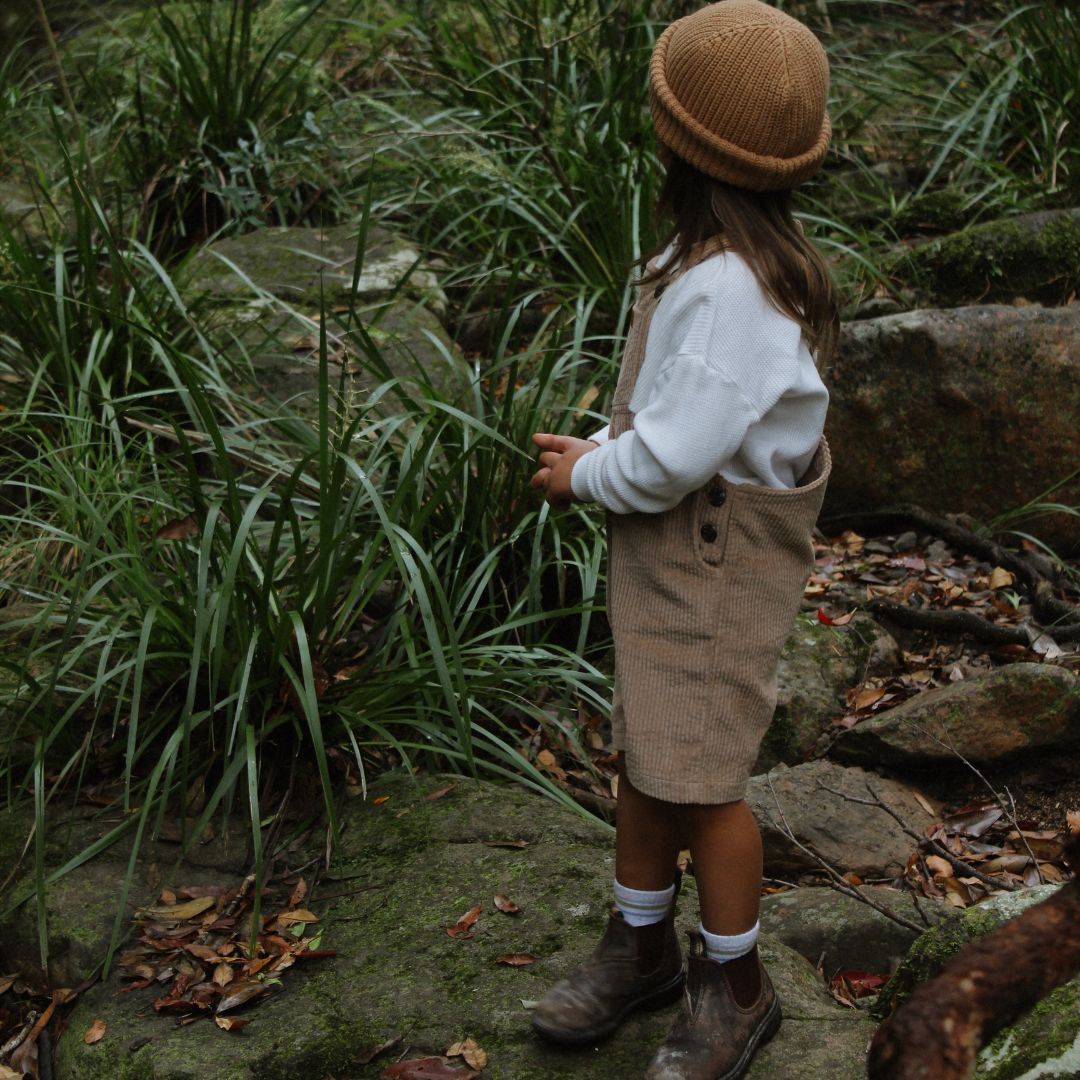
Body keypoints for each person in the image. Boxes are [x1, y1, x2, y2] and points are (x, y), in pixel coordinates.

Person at [527, 2, 839, 1077]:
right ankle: (641, 940)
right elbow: (681, 425)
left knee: (705, 785)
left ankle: (735, 982)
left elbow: (670, 460)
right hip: (680, 558)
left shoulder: (730, 294)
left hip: (713, 564)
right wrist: (611, 449)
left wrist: (585, 475)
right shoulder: (709, 261)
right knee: (653, 756)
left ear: (678, 141)